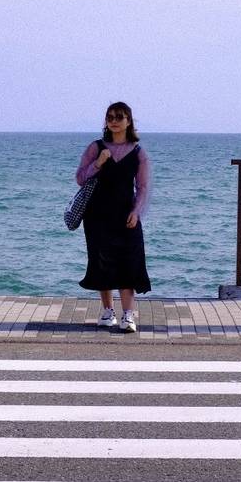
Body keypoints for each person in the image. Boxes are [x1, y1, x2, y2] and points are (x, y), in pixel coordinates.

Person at [75, 101, 151, 332]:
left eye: (119, 117)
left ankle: (128, 315)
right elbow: (80, 178)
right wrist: (98, 163)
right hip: (97, 216)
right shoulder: (95, 147)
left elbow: (143, 187)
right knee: (102, 263)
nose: (114, 121)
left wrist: (136, 212)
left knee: (129, 262)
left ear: (128, 121)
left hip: (126, 215)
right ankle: (108, 312)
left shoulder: (138, 152)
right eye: (110, 117)